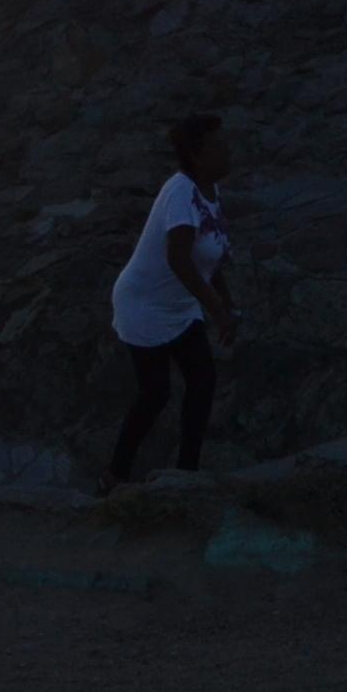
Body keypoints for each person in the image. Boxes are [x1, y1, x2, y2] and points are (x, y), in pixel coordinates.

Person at [104, 111, 238, 485]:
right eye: (218, 145)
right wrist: (216, 311)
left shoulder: (210, 192)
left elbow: (209, 256)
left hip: (179, 305)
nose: (228, 150)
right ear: (197, 155)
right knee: (155, 393)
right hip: (143, 304)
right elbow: (177, 256)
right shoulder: (180, 191)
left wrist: (226, 305)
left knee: (202, 380)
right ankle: (114, 476)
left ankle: (186, 477)